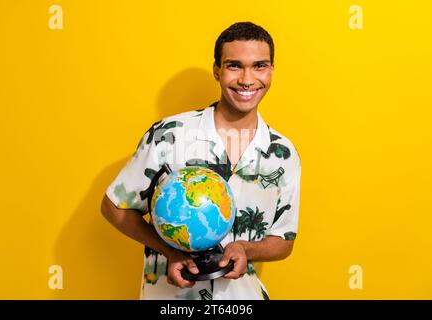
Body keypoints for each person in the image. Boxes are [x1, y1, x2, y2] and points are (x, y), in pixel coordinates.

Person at [101, 21, 301, 300]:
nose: (247, 79)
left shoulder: (284, 153)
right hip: (173, 300)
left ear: (271, 70)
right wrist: (169, 251)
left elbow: (284, 240)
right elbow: (114, 206)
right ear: (217, 71)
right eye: (234, 65)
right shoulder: (169, 134)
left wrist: (246, 248)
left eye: (259, 65)